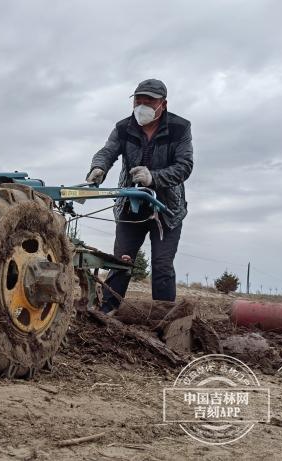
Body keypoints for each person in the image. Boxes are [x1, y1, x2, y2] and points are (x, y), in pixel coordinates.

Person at [85, 79, 193, 313]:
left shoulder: (180, 128)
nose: (142, 105)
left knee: (162, 265)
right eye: (138, 100)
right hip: (130, 206)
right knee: (121, 261)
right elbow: (108, 151)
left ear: (162, 104)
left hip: (167, 209)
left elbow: (185, 166)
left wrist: (153, 177)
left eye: (149, 101)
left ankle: (163, 318)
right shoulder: (124, 127)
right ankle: (107, 312)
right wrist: (98, 168)